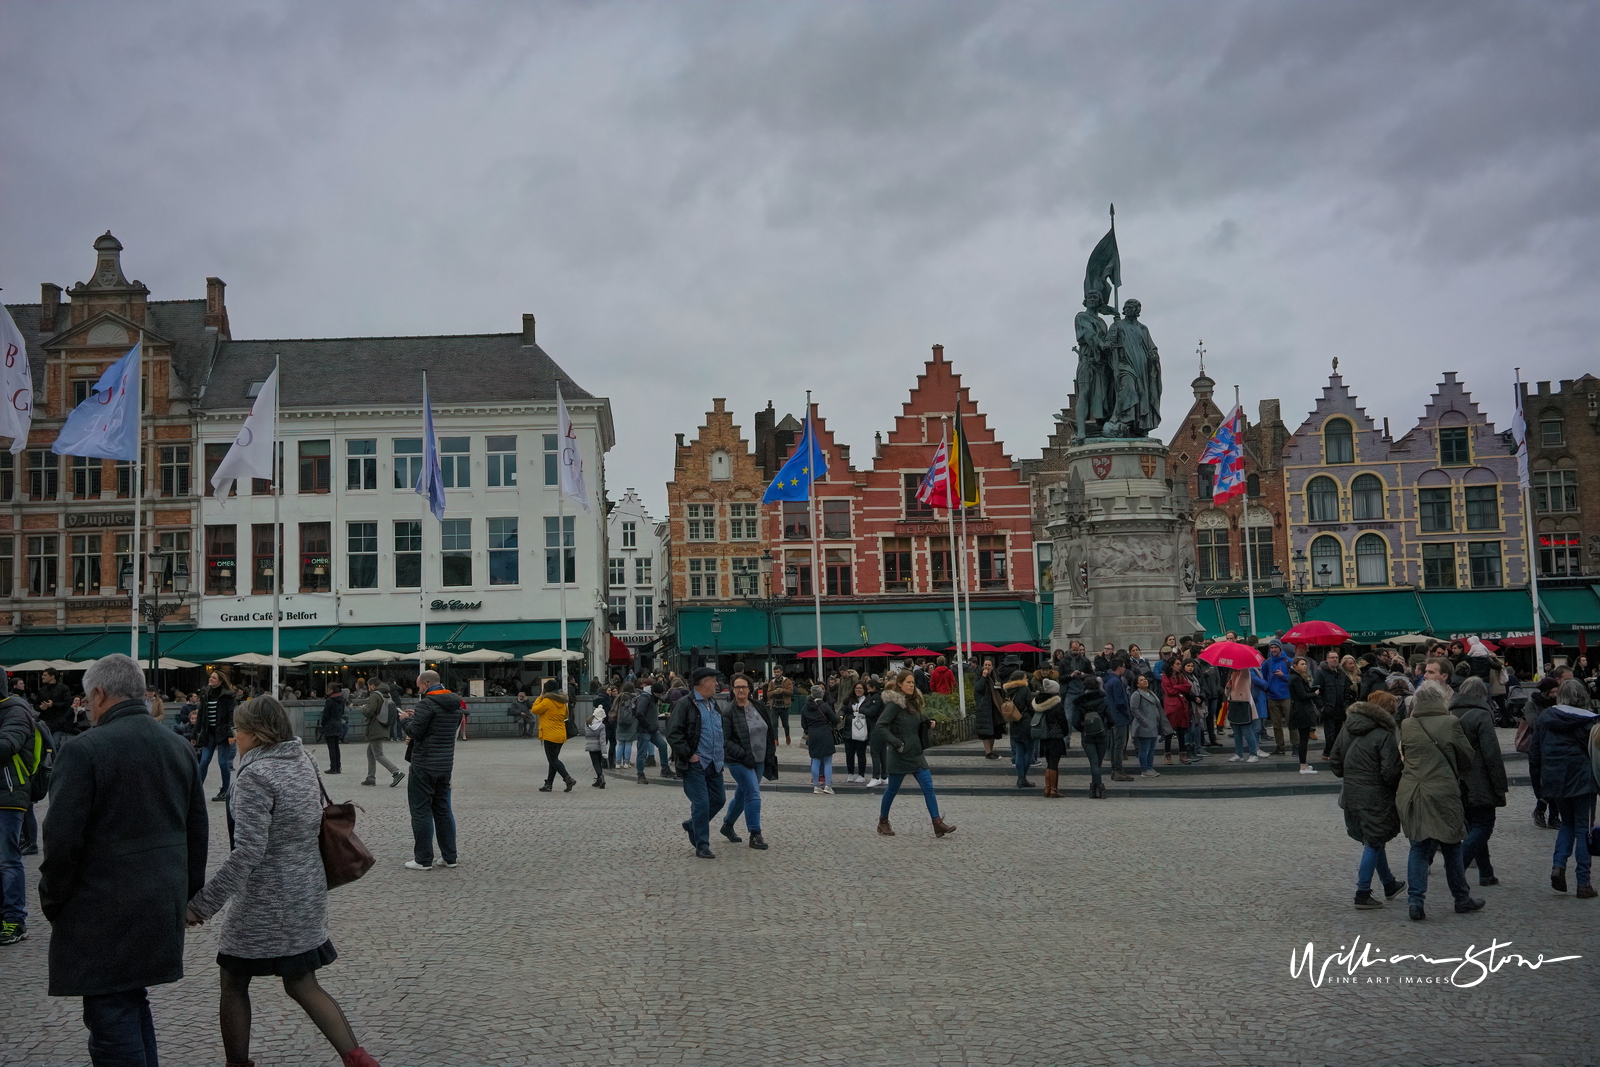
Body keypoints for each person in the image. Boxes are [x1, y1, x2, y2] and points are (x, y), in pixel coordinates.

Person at [185, 696, 381, 1067]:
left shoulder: (255, 776)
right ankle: (358, 1059)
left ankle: (237, 1064)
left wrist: (202, 904)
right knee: (302, 982)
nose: (233, 736)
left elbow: (247, 852)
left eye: (238, 729)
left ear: (256, 734)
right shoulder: (302, 759)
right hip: (306, 888)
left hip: (266, 899)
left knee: (233, 978)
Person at [38, 654, 209, 1065]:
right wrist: (185, 892)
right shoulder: (177, 746)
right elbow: (197, 830)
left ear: (98, 694)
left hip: (102, 905)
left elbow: (61, 841)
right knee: (131, 1002)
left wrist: (52, 899)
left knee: (111, 1015)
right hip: (160, 898)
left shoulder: (85, 750)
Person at [1395, 680, 1483, 921]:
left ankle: (1416, 902)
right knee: (1452, 845)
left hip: (1413, 790)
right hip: (1443, 790)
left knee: (1419, 847)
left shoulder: (1407, 724)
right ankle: (1461, 899)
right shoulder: (1451, 722)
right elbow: (1467, 756)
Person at [1330, 697, 1407, 909]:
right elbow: (1390, 771)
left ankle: (1389, 883)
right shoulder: (1384, 734)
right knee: (1373, 842)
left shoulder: (1347, 728)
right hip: (1375, 795)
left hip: (1351, 793)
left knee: (1373, 838)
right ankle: (1362, 892)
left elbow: (1335, 762)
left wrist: (1352, 775)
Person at [1529, 679, 1598, 898]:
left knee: (1567, 824)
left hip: (1554, 778)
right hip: (1582, 779)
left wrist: (1538, 787)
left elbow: (1535, 753)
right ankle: (1583, 883)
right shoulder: (1591, 721)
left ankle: (1558, 865)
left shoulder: (1545, 718)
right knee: (1582, 828)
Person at [873, 670, 955, 837]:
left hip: (916, 753)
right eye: (908, 682)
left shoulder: (914, 702)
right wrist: (897, 743)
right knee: (892, 790)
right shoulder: (894, 705)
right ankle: (883, 821)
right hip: (900, 754)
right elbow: (881, 726)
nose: (911, 685)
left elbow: (916, 719)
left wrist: (927, 721)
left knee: (928, 787)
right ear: (900, 684)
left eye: (913, 682)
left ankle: (937, 823)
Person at [1448, 676, 1508, 887]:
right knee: (1484, 825)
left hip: (1457, 779)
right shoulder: (1482, 715)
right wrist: (1500, 785)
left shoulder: (1450, 712)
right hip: (1480, 779)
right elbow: (1492, 754)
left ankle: (1486, 872)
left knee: (1474, 824)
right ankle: (1456, 869)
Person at [398, 671, 459, 872]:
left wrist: (405, 720)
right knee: (442, 810)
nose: (419, 690)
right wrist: (419, 719)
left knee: (421, 810)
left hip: (424, 764)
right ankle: (450, 857)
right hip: (444, 765)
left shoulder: (427, 703)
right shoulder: (454, 702)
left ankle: (423, 859)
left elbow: (415, 732)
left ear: (426, 683)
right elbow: (437, 726)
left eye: (419, 687)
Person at [667, 667, 728, 860]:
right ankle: (702, 844)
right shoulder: (685, 704)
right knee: (701, 803)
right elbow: (673, 733)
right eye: (714, 681)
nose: (716, 684)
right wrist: (689, 754)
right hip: (695, 763)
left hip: (714, 763)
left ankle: (692, 824)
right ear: (704, 683)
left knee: (718, 800)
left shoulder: (713, 704)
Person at [0, 679, 43, 945]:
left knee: (6, 859)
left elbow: (7, 746)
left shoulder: (14, 708)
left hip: (7, 792)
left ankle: (14, 920)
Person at [719, 673, 777, 850]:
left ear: (750, 688)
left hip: (759, 758)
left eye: (743, 686)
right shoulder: (728, 711)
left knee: (742, 794)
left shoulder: (758, 706)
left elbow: (768, 729)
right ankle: (755, 834)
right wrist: (743, 754)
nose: (741, 690)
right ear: (732, 690)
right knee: (753, 793)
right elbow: (725, 740)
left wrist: (770, 751)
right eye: (737, 687)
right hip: (739, 760)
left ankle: (727, 825)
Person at [193, 670, 239, 801]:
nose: (211, 679)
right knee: (203, 762)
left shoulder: (228, 696)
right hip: (209, 733)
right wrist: (194, 734)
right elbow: (200, 715)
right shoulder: (205, 694)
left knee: (223, 762)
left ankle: (225, 790)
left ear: (220, 681)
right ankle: (197, 791)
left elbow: (232, 715)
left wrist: (231, 733)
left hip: (223, 733)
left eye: (214, 677)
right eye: (210, 677)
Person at [1073, 676, 1112, 799]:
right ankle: (1099, 787)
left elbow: (1075, 722)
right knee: (1098, 763)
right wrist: (1105, 728)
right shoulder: (1103, 700)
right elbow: (1112, 718)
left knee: (1093, 763)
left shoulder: (1079, 702)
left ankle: (1094, 788)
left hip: (1087, 736)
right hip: (1102, 734)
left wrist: (1083, 729)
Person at [359, 683, 404, 788]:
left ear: (373, 685)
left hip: (375, 728)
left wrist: (363, 708)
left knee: (378, 754)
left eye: (369, 685)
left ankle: (396, 772)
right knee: (370, 753)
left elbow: (370, 711)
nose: (369, 687)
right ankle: (370, 777)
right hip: (382, 726)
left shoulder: (375, 695)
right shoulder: (386, 695)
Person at [801, 685, 840, 794]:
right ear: (821, 694)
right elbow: (835, 719)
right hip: (825, 734)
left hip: (813, 734)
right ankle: (828, 786)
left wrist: (808, 731)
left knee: (815, 760)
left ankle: (816, 786)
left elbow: (803, 724)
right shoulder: (824, 706)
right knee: (827, 761)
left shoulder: (805, 707)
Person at [1033, 678, 1067, 798]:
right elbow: (1063, 721)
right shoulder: (1056, 705)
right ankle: (1053, 789)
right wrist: (1065, 732)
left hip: (1043, 736)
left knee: (1048, 763)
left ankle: (1047, 788)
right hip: (1055, 736)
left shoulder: (1039, 702)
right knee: (1054, 763)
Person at [632, 684, 673, 784]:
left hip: (652, 729)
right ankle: (640, 774)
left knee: (663, 746)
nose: (660, 696)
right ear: (654, 692)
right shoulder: (645, 698)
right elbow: (639, 713)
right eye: (659, 693)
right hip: (645, 730)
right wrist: (648, 725)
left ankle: (665, 768)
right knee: (642, 753)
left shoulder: (651, 697)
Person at [1002, 670, 1034, 789]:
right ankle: (1023, 778)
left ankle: (1020, 777)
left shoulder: (1009, 691)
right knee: (1029, 750)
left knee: (1019, 751)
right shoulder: (1025, 690)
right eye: (1025, 678)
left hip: (1014, 722)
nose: (1027, 680)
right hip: (1025, 721)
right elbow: (1030, 706)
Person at [1288, 657, 1321, 775]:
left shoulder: (1299, 678)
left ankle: (1304, 764)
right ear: (1295, 666)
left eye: (1305, 664)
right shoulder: (1295, 678)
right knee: (1303, 739)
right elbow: (1302, 695)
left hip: (1302, 709)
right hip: (1301, 710)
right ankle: (1302, 766)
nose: (1305, 666)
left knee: (1304, 739)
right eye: (1302, 664)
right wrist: (1314, 694)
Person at [1103, 660, 1134, 782]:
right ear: (1119, 667)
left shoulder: (1109, 680)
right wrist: (1127, 714)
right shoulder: (1116, 681)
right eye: (1124, 667)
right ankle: (1117, 770)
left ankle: (1115, 770)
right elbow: (1120, 701)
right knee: (1119, 745)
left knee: (1115, 744)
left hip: (1112, 716)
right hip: (1119, 718)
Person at [1130, 673, 1166, 777]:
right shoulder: (1137, 694)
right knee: (1144, 748)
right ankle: (1144, 769)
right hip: (1144, 725)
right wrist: (1143, 721)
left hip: (1154, 724)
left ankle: (1150, 767)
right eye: (1141, 680)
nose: (1145, 681)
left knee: (1151, 748)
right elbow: (1134, 709)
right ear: (1137, 684)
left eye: (1145, 679)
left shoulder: (1151, 693)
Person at [1314, 651, 1349, 760]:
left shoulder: (1341, 674)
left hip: (1340, 708)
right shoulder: (1321, 674)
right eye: (1332, 657)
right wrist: (1322, 706)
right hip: (1328, 708)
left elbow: (1347, 690)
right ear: (1327, 659)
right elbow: (1316, 691)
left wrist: (1346, 704)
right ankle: (1330, 753)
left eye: (1336, 657)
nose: (1334, 659)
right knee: (1330, 734)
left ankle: (1330, 753)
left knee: (1339, 733)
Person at [1160, 658, 1194, 764]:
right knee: (1169, 732)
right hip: (1171, 706)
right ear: (1172, 665)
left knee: (1181, 730)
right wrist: (1180, 688)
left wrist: (1176, 687)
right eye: (1178, 664)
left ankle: (1183, 754)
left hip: (1181, 705)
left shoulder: (1180, 675)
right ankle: (1167, 755)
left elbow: (1188, 686)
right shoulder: (1166, 676)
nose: (1180, 665)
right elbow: (1169, 691)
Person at [973, 659, 1005, 760]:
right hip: (984, 707)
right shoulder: (979, 676)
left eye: (989, 665)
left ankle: (991, 750)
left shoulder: (995, 675)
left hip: (994, 706)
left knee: (994, 731)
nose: (987, 667)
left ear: (992, 667)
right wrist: (984, 677)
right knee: (986, 732)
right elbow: (978, 688)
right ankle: (988, 752)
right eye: (985, 665)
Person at [843, 681, 873, 784]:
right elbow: (844, 709)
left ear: (864, 690)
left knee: (861, 753)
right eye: (856, 688)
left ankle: (861, 774)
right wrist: (841, 715)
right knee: (849, 753)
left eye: (860, 688)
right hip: (849, 730)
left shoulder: (868, 700)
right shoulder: (850, 700)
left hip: (861, 729)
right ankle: (850, 773)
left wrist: (862, 711)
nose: (858, 690)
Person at [861, 677, 888, 787]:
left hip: (876, 728)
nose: (867, 690)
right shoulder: (880, 696)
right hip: (882, 728)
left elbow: (872, 712)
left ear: (872, 688)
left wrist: (861, 709)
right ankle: (884, 776)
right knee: (882, 752)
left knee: (875, 752)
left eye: (868, 688)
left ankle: (876, 776)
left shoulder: (875, 698)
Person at [320, 682, 348, 775]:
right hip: (338, 723)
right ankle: (338, 766)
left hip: (330, 724)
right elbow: (342, 712)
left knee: (331, 747)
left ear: (331, 690)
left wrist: (323, 723)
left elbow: (326, 714)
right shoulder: (342, 699)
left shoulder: (329, 700)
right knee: (336, 746)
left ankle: (333, 767)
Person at [768, 667, 795, 746]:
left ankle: (787, 735)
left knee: (785, 723)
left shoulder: (787, 681)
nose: (777, 673)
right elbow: (768, 694)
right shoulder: (772, 682)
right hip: (774, 706)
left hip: (784, 706)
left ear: (782, 672)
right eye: (775, 672)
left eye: (778, 672)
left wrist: (782, 690)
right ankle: (775, 739)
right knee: (774, 724)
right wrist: (774, 692)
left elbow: (791, 691)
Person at [583, 706, 608, 788]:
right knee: (599, 762)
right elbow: (602, 739)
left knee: (595, 762)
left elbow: (586, 735)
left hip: (590, 745)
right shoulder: (602, 726)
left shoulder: (587, 723)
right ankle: (601, 777)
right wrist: (604, 751)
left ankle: (599, 778)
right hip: (598, 746)